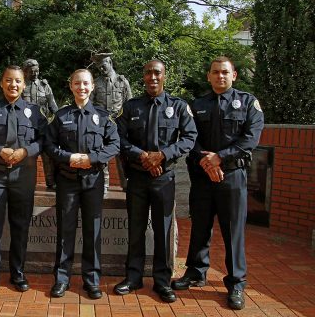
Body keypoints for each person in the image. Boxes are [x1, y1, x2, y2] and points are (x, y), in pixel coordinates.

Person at [171, 56, 264, 310]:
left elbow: (250, 138)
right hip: (203, 177)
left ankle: (236, 283)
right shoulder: (198, 104)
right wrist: (207, 163)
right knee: (200, 225)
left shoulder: (247, 103)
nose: (220, 76)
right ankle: (196, 272)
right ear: (208, 76)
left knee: (232, 231)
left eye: (225, 72)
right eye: (215, 72)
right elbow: (190, 138)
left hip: (232, 176)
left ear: (234, 75)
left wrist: (219, 158)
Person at [113, 59, 197, 303]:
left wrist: (162, 155)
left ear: (164, 76)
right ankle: (133, 277)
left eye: (157, 73)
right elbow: (118, 137)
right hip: (137, 177)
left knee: (163, 230)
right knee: (136, 228)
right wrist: (141, 156)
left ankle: (162, 281)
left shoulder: (178, 106)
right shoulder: (131, 107)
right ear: (143, 76)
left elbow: (190, 137)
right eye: (148, 73)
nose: (152, 77)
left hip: (164, 176)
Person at [0, 65, 47, 298]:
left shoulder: (34, 112)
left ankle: (18, 274)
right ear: (2, 83)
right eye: (8, 80)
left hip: (23, 176)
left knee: (20, 226)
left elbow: (45, 140)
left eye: (17, 81)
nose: (13, 85)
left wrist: (26, 151)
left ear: (24, 84)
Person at [44, 69, 120, 299]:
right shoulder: (60, 116)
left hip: (93, 181)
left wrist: (92, 159)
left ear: (92, 86)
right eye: (77, 83)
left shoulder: (103, 116)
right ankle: (62, 279)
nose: (82, 87)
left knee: (92, 231)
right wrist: (68, 158)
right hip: (67, 181)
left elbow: (114, 144)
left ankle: (92, 280)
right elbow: (49, 145)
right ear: (71, 86)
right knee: (65, 231)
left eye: (86, 83)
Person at [90, 53, 132, 194]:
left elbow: (129, 104)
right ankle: (104, 184)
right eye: (99, 68)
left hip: (119, 124)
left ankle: (126, 183)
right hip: (101, 123)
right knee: (102, 153)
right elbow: (90, 105)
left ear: (110, 62)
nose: (102, 70)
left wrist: (128, 124)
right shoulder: (95, 83)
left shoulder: (122, 82)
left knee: (122, 154)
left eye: (103, 66)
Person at [22, 59, 58, 190]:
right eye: (32, 71)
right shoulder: (21, 85)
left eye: (37, 71)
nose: (35, 73)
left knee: (48, 156)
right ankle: (27, 183)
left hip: (44, 126)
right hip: (26, 127)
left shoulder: (45, 86)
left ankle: (51, 182)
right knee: (27, 156)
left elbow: (53, 105)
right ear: (25, 72)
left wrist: (58, 122)